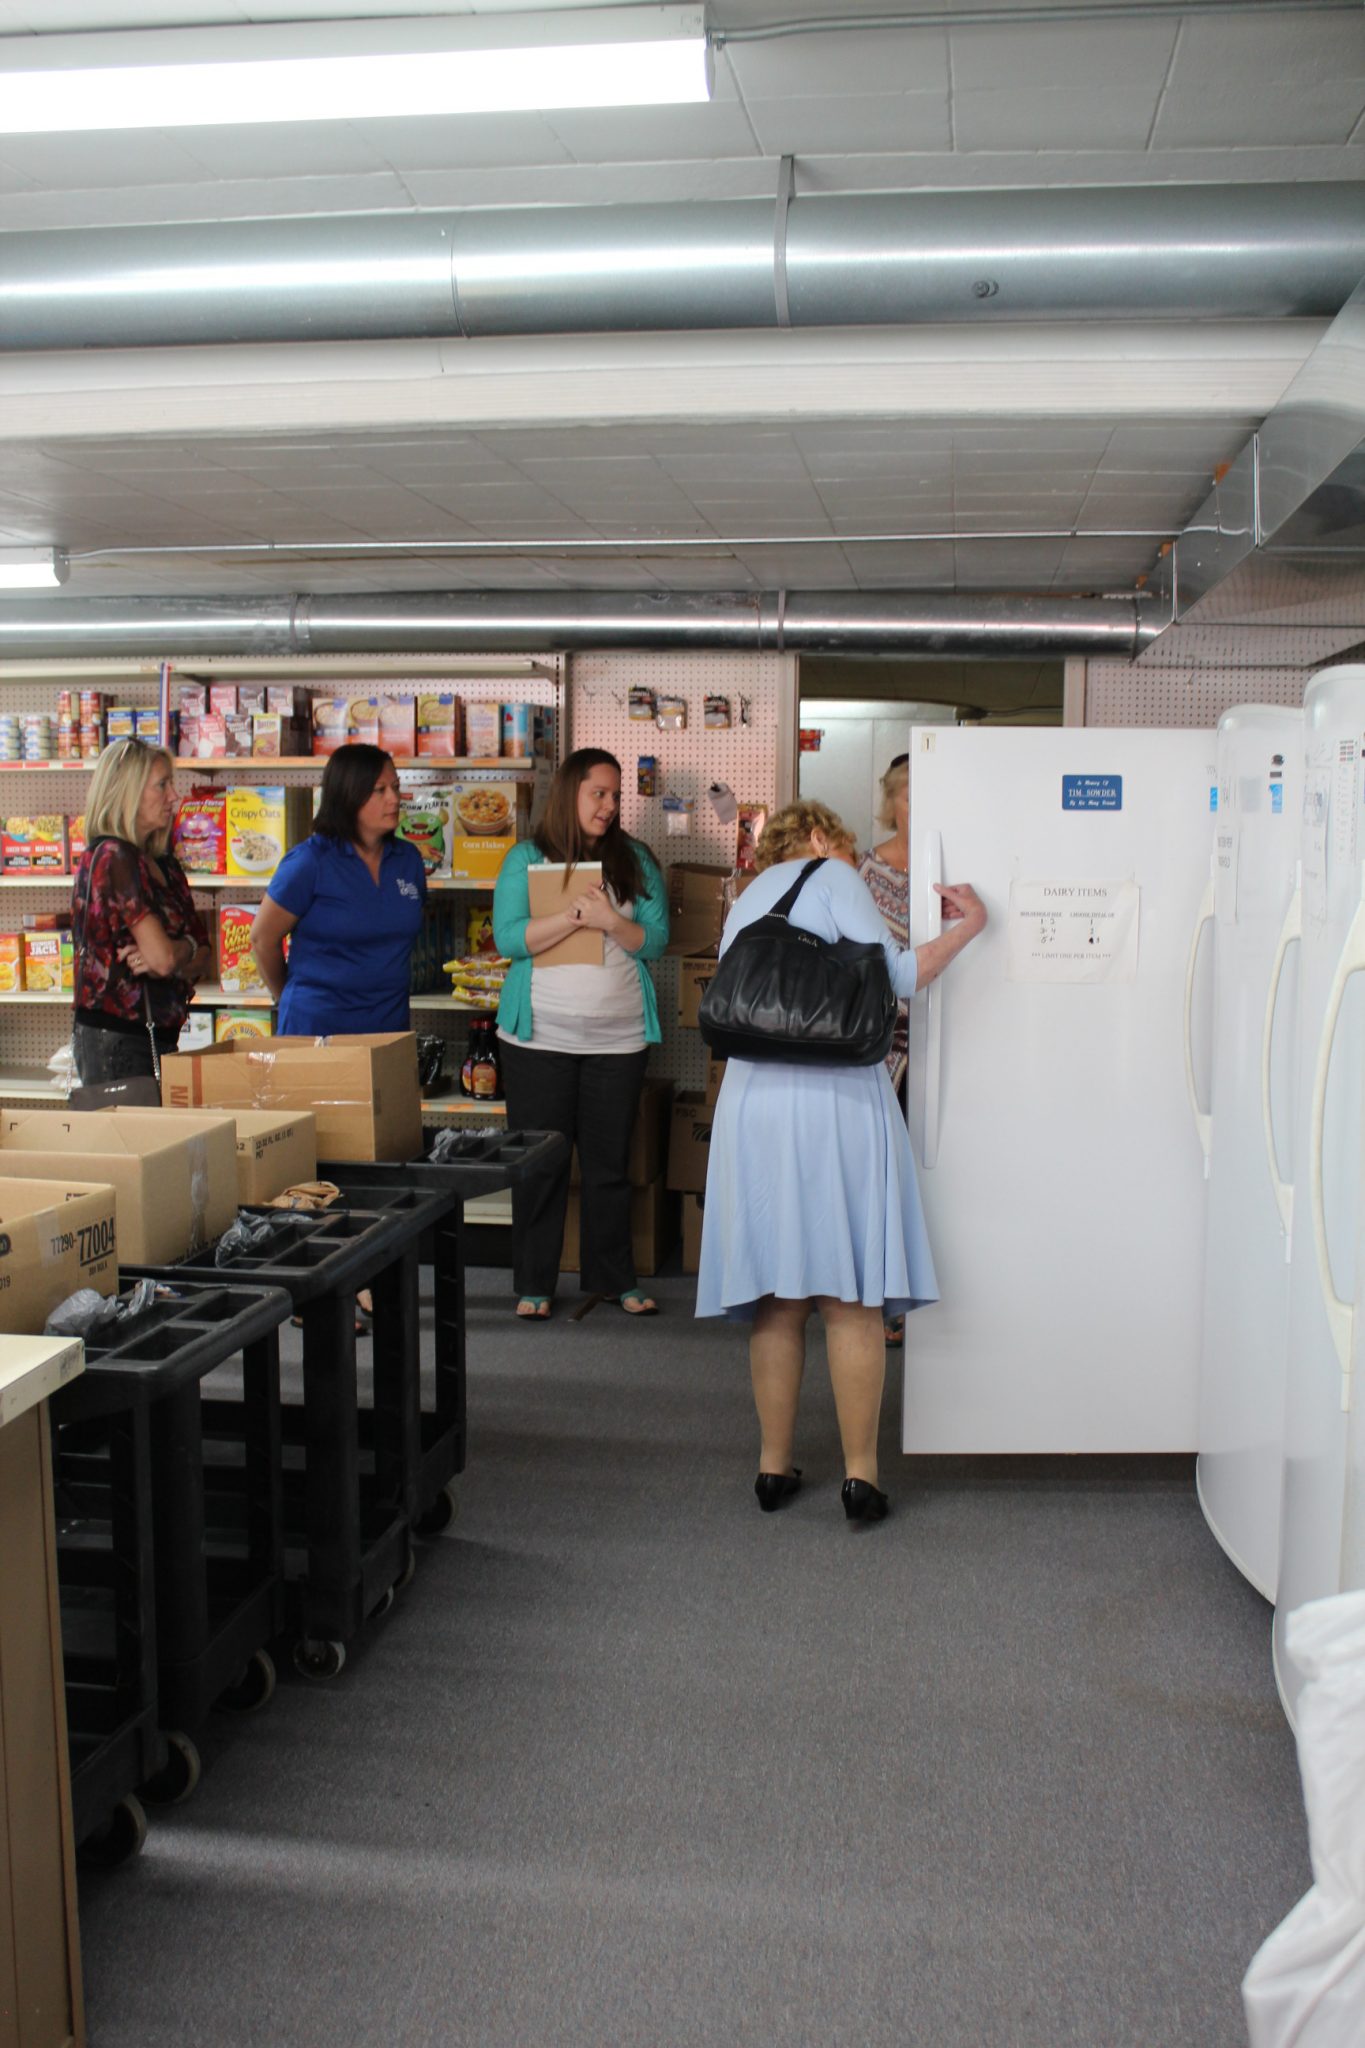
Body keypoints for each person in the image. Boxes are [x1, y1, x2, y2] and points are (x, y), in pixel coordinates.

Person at [695, 797, 985, 1526]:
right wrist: (970, 928)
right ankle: (860, 1478)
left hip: (752, 1104)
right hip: (834, 1103)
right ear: (821, 838)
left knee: (777, 1298)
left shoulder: (746, 897)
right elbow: (898, 978)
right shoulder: (833, 875)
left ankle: (772, 1467)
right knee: (849, 1299)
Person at [492, 748, 669, 1320]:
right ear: (570, 793)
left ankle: (614, 1278)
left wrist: (609, 921)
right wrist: (571, 917)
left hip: (618, 1043)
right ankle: (534, 1284)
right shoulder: (526, 858)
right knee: (540, 1165)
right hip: (537, 1041)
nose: (610, 805)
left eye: (616, 795)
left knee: (608, 1167)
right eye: (599, 793)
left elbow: (657, 941)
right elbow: (509, 938)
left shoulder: (635, 860)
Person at [251, 743, 426, 1034]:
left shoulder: (408, 860)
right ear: (348, 796)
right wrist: (291, 998)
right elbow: (261, 939)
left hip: (388, 1028)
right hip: (316, 1030)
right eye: (380, 790)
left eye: (396, 787)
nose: (394, 799)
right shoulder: (309, 862)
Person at [71, 737, 211, 1087]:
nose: (174, 796)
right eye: (162, 785)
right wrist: (181, 951)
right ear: (128, 791)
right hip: (119, 1042)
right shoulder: (114, 857)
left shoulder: (165, 864)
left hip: (157, 1038)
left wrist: (182, 950)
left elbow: (202, 955)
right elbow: (165, 961)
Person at [856, 752, 911, 1347]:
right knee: (886, 1177)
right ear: (891, 802)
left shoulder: (960, 864)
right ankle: (887, 1302)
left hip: (955, 1044)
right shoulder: (866, 872)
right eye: (907, 794)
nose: (916, 806)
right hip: (883, 1049)